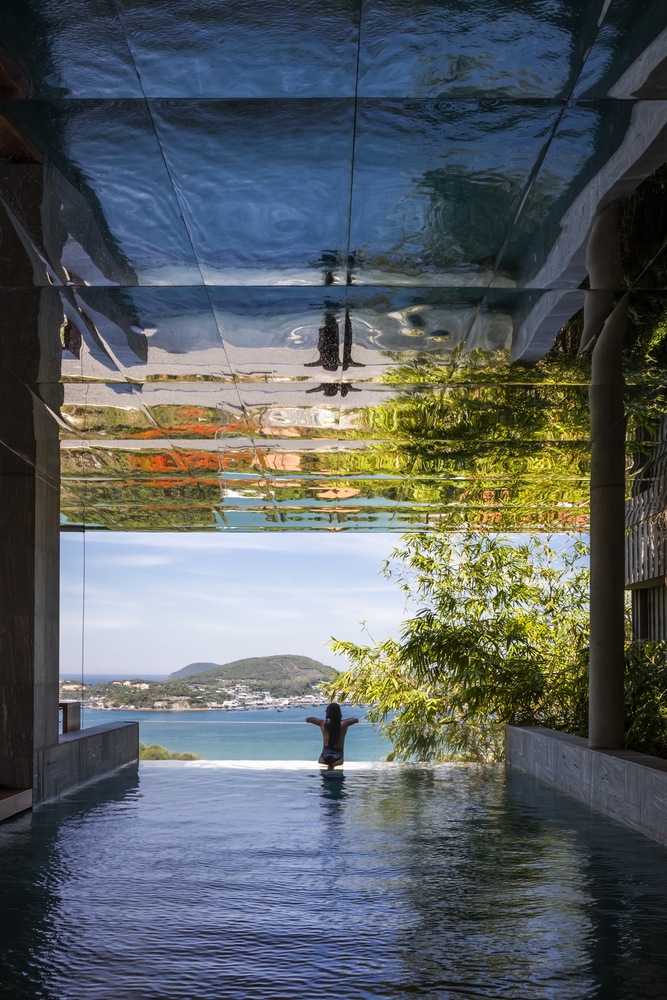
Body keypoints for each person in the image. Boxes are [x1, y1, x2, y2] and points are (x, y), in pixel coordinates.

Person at [306, 702, 358, 769]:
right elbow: (356, 720)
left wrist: (327, 720)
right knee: (337, 775)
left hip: (325, 754)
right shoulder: (344, 724)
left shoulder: (322, 723)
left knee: (324, 775)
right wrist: (340, 720)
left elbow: (309, 719)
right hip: (338, 754)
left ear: (327, 713)